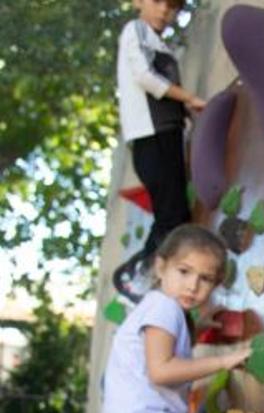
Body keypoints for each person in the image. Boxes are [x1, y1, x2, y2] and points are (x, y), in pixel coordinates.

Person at [98, 224, 250, 413]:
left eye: (205, 279)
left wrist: (199, 327)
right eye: (184, 271)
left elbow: (160, 356)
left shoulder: (160, 307)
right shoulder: (164, 307)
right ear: (161, 267)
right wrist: (224, 361)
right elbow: (161, 371)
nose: (192, 285)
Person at [113, 0, 207, 303]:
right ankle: (135, 277)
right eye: (158, 2)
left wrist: (186, 112)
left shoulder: (160, 44)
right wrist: (190, 98)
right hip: (150, 137)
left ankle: (142, 274)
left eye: (172, 7)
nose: (165, 11)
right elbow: (145, 77)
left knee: (175, 214)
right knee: (171, 216)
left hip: (168, 134)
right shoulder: (135, 30)